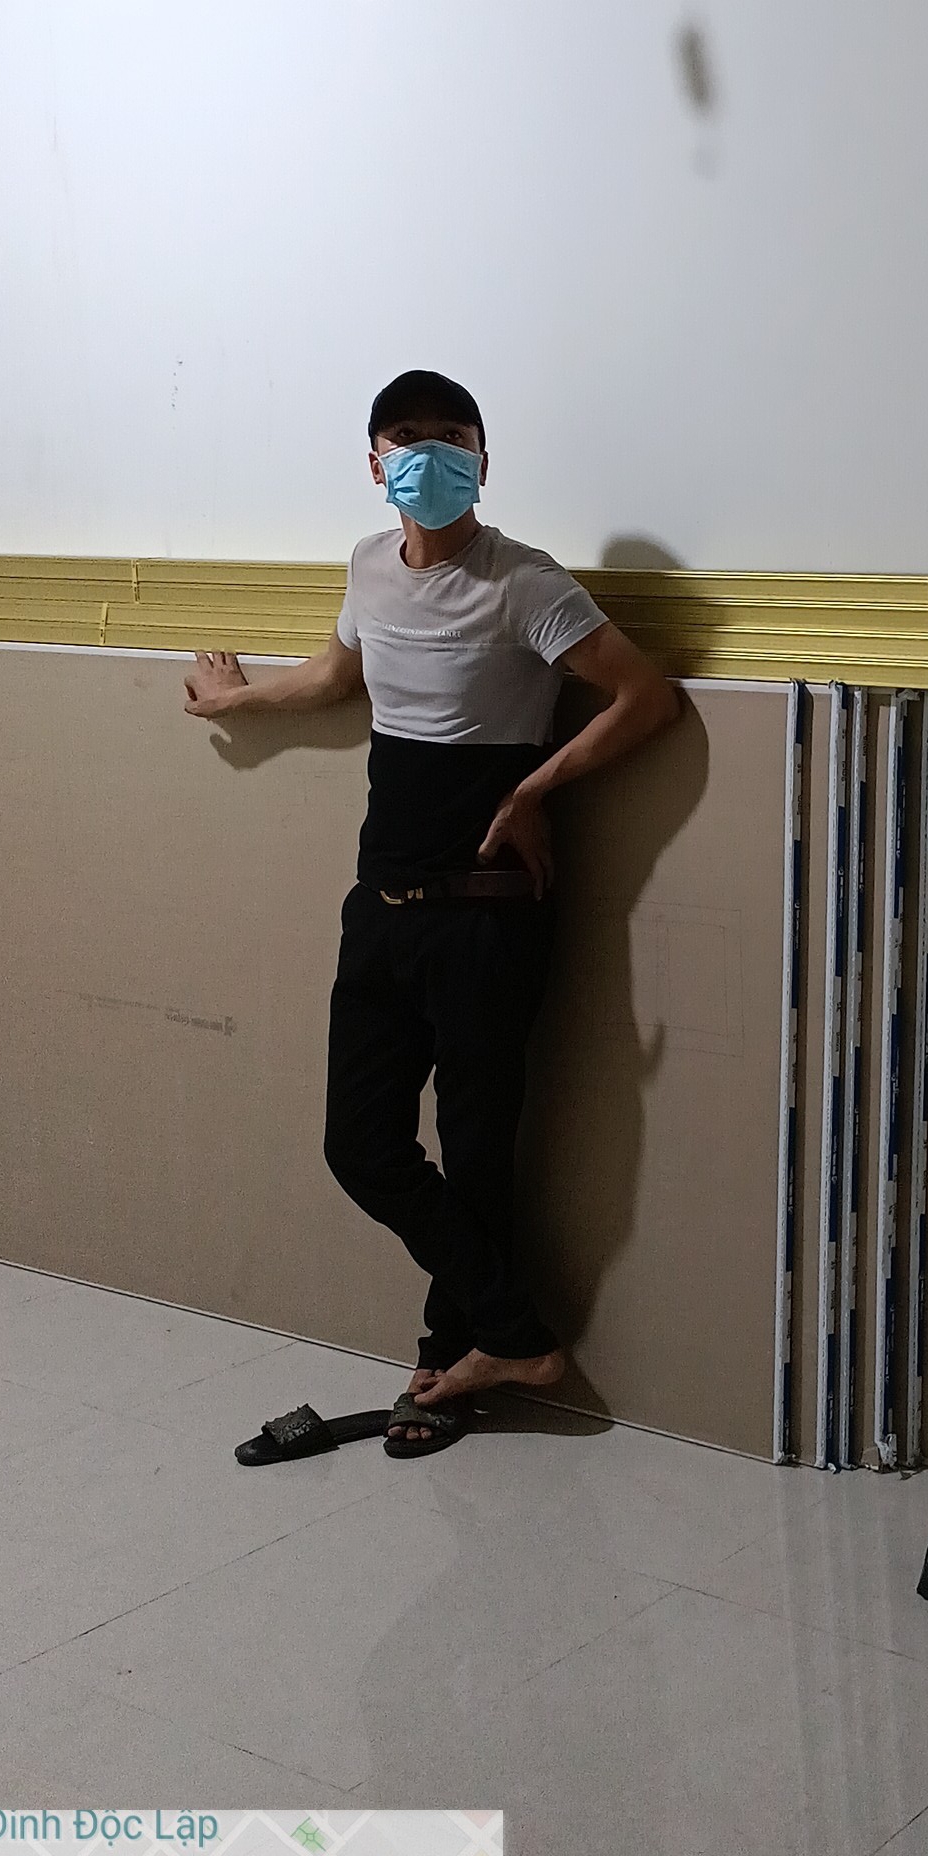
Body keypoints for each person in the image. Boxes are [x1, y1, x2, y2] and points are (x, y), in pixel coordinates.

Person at [182, 372, 679, 1454]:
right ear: (376, 463)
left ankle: (454, 1358)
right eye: (407, 438)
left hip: (488, 918)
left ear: (483, 462)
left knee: (476, 1148)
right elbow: (337, 675)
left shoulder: (524, 582)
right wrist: (238, 699)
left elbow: (647, 698)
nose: (430, 455)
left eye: (453, 438)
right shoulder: (369, 565)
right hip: (381, 904)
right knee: (359, 1144)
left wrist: (536, 789)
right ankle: (510, 1335)